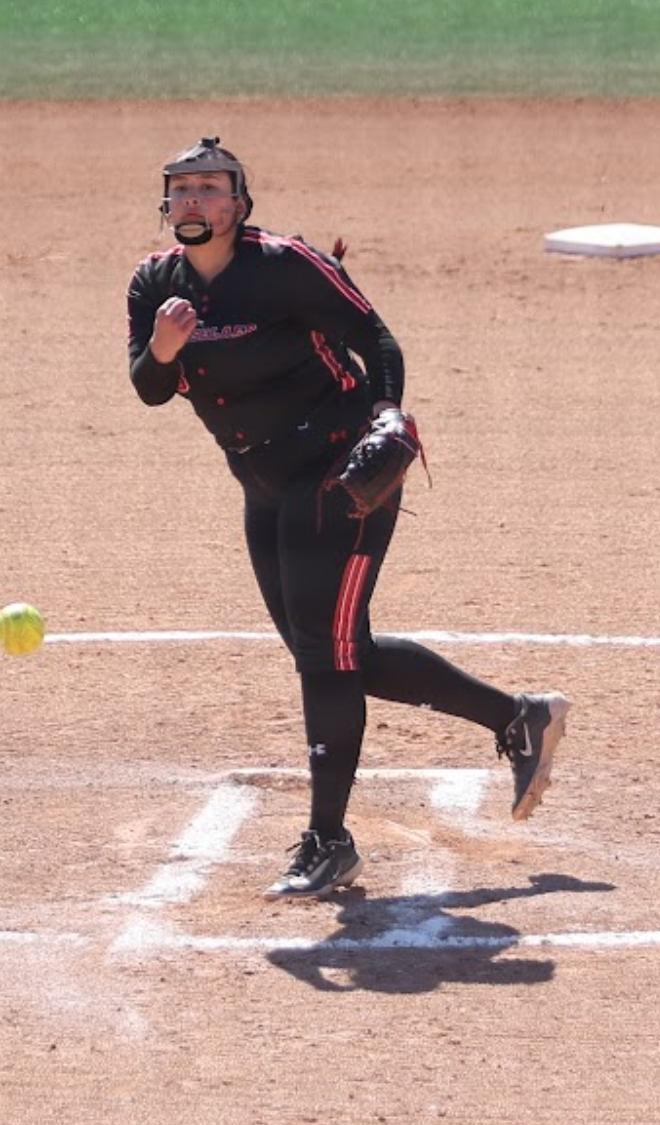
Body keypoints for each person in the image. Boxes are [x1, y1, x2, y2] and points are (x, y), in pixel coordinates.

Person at [126, 137, 569, 900]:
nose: (194, 199)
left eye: (210, 186)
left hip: (340, 472)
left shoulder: (286, 265)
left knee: (324, 658)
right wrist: (163, 350)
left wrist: (388, 413)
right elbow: (150, 389)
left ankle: (329, 840)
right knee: (332, 648)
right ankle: (519, 717)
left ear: (239, 202)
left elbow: (375, 336)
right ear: (166, 204)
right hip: (262, 486)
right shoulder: (153, 284)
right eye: (181, 189)